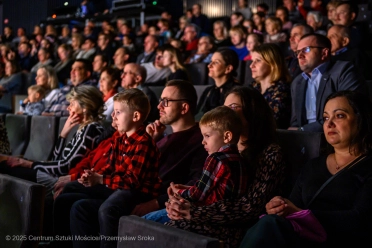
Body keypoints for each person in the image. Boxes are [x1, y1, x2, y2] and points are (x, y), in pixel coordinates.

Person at [240, 90, 372, 247]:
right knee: (269, 223)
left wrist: (299, 213)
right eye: (325, 118)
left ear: (360, 119)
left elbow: (360, 219)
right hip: (302, 238)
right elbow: (292, 204)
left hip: (341, 240)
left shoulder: (368, 167)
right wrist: (280, 206)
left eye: (340, 115)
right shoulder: (313, 165)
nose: (329, 124)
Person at [163, 86, 286, 247]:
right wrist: (182, 199)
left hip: (234, 228)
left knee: (169, 231)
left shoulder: (270, 153)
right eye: (225, 107)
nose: (226, 112)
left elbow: (249, 208)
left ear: (252, 111)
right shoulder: (220, 146)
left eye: (233, 107)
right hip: (205, 214)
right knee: (146, 225)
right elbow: (210, 189)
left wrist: (193, 211)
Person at [68, 89, 161, 248]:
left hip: (137, 193)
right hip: (118, 186)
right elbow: (110, 167)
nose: (113, 116)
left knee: (106, 210)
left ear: (136, 116)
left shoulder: (143, 143)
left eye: (118, 112)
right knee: (70, 190)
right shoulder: (119, 137)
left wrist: (101, 179)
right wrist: (93, 175)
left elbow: (133, 181)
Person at [143, 105, 250, 223]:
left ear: (227, 136)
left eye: (207, 136)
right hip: (223, 217)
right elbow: (213, 190)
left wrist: (178, 192)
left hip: (204, 213)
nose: (203, 141)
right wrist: (189, 188)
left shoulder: (215, 158)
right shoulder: (240, 160)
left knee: (145, 220)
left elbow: (198, 194)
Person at [0, 85, 105, 196]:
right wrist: (63, 134)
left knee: (9, 168)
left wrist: (28, 164)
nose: (68, 108)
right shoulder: (84, 128)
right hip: (59, 176)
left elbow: (64, 167)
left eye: (72, 104)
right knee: (8, 166)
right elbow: (57, 159)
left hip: (66, 181)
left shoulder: (91, 129)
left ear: (86, 107)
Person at [289, 33, 364, 132]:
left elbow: (346, 113)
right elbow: (295, 120)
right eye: (297, 52)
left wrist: (303, 130)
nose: (299, 56)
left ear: (324, 53)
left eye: (306, 50)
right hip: (304, 139)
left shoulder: (343, 70)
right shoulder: (297, 82)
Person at [250, 43, 292, 129]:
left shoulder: (282, 89)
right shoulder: (253, 86)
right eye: (252, 61)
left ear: (273, 63)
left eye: (258, 60)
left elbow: (270, 121)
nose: (251, 65)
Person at [196, 47, 241, 119]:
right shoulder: (209, 90)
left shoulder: (237, 91)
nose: (209, 65)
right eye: (211, 61)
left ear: (228, 69)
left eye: (216, 62)